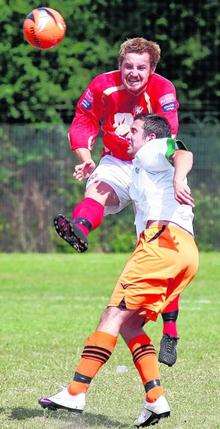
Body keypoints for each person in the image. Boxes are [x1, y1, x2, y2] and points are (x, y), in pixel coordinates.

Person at [39, 115, 199, 427]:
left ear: (150, 137)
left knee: (112, 315)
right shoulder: (142, 172)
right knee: (130, 325)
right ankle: (155, 399)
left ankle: (75, 391)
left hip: (162, 242)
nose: (128, 135)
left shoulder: (151, 151)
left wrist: (180, 177)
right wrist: (90, 169)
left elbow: (182, 152)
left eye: (134, 130)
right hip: (185, 251)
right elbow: (113, 192)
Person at [54, 37, 182, 366]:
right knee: (97, 189)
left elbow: (170, 131)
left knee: (160, 253)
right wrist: (85, 157)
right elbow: (82, 124)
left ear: (151, 69)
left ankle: (170, 331)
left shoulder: (163, 90)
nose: (133, 73)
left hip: (152, 168)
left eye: (141, 67)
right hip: (115, 161)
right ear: (120, 63)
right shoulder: (102, 85)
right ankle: (80, 229)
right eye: (128, 66)